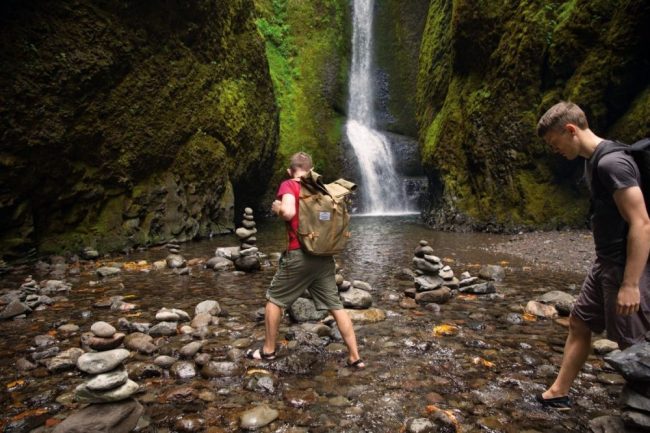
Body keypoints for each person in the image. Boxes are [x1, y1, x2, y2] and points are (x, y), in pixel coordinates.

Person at [535, 101, 650, 409]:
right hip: (605, 262)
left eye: (554, 143)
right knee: (579, 321)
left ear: (571, 130)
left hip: (625, 267)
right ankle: (559, 392)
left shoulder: (610, 164)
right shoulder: (592, 161)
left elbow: (641, 222)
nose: (554, 150)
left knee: (633, 345)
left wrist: (630, 284)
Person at [246, 151, 365, 369]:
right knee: (336, 307)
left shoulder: (289, 184)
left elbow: (289, 213)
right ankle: (355, 356)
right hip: (324, 257)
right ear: (311, 170)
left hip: (299, 254)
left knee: (274, 301)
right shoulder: (321, 187)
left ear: (289, 170)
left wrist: (278, 208)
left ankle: (268, 351)